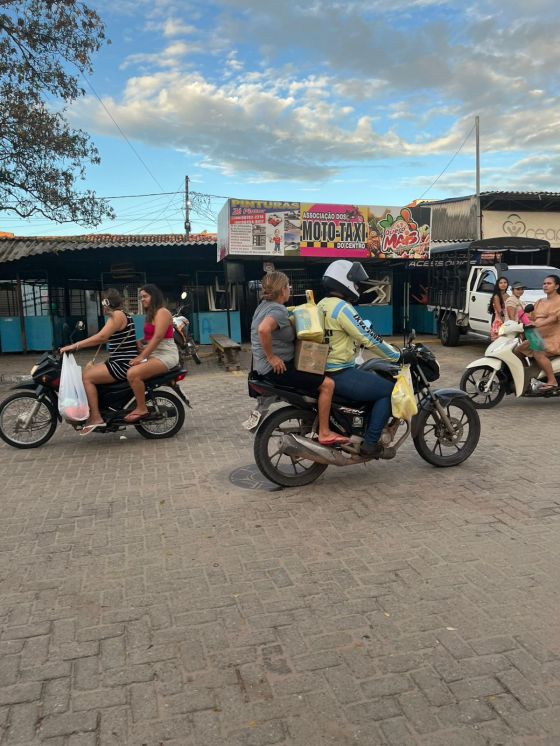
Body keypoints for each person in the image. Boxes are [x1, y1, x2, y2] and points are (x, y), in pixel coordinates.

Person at [316, 260, 404, 459]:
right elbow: (368, 338)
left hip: (323, 369)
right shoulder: (342, 308)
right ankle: (370, 443)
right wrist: (396, 355)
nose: (357, 287)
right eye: (355, 283)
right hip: (340, 372)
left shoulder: (322, 305)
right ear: (343, 282)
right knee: (389, 391)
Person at [250, 271, 347, 446]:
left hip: (262, 368)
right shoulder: (277, 309)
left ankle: (309, 420)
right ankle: (325, 432)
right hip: (276, 369)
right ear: (282, 290)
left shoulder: (263, 306)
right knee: (327, 384)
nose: (290, 289)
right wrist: (271, 357)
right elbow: (263, 330)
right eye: (288, 286)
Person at [60, 288, 138, 435]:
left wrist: (75, 346)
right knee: (89, 371)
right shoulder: (122, 315)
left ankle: (96, 417)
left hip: (121, 364)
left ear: (106, 303)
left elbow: (101, 337)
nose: (102, 307)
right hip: (121, 361)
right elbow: (106, 337)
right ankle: (101, 407)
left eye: (102, 303)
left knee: (86, 378)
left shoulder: (117, 315)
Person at [124, 284, 179, 422]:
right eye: (141, 297)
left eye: (145, 296)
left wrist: (142, 356)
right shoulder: (150, 314)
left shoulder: (162, 312)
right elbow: (150, 337)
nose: (142, 299)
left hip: (165, 354)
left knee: (133, 373)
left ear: (154, 296)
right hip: (154, 354)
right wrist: (140, 341)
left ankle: (141, 408)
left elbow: (158, 337)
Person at [517, 274, 560, 390]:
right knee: (517, 350)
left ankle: (552, 381)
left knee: (538, 352)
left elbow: (554, 318)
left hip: (553, 338)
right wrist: (522, 320)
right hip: (537, 336)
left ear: (556, 286)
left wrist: (537, 324)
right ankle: (530, 375)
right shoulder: (540, 301)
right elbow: (531, 317)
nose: (545, 285)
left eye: (549, 283)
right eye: (544, 283)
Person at [489, 276, 509, 340]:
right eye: (501, 283)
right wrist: (505, 324)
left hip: (507, 321)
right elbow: (500, 312)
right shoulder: (496, 297)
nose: (503, 284)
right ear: (498, 285)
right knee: (498, 342)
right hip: (500, 322)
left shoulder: (508, 296)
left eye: (505, 282)